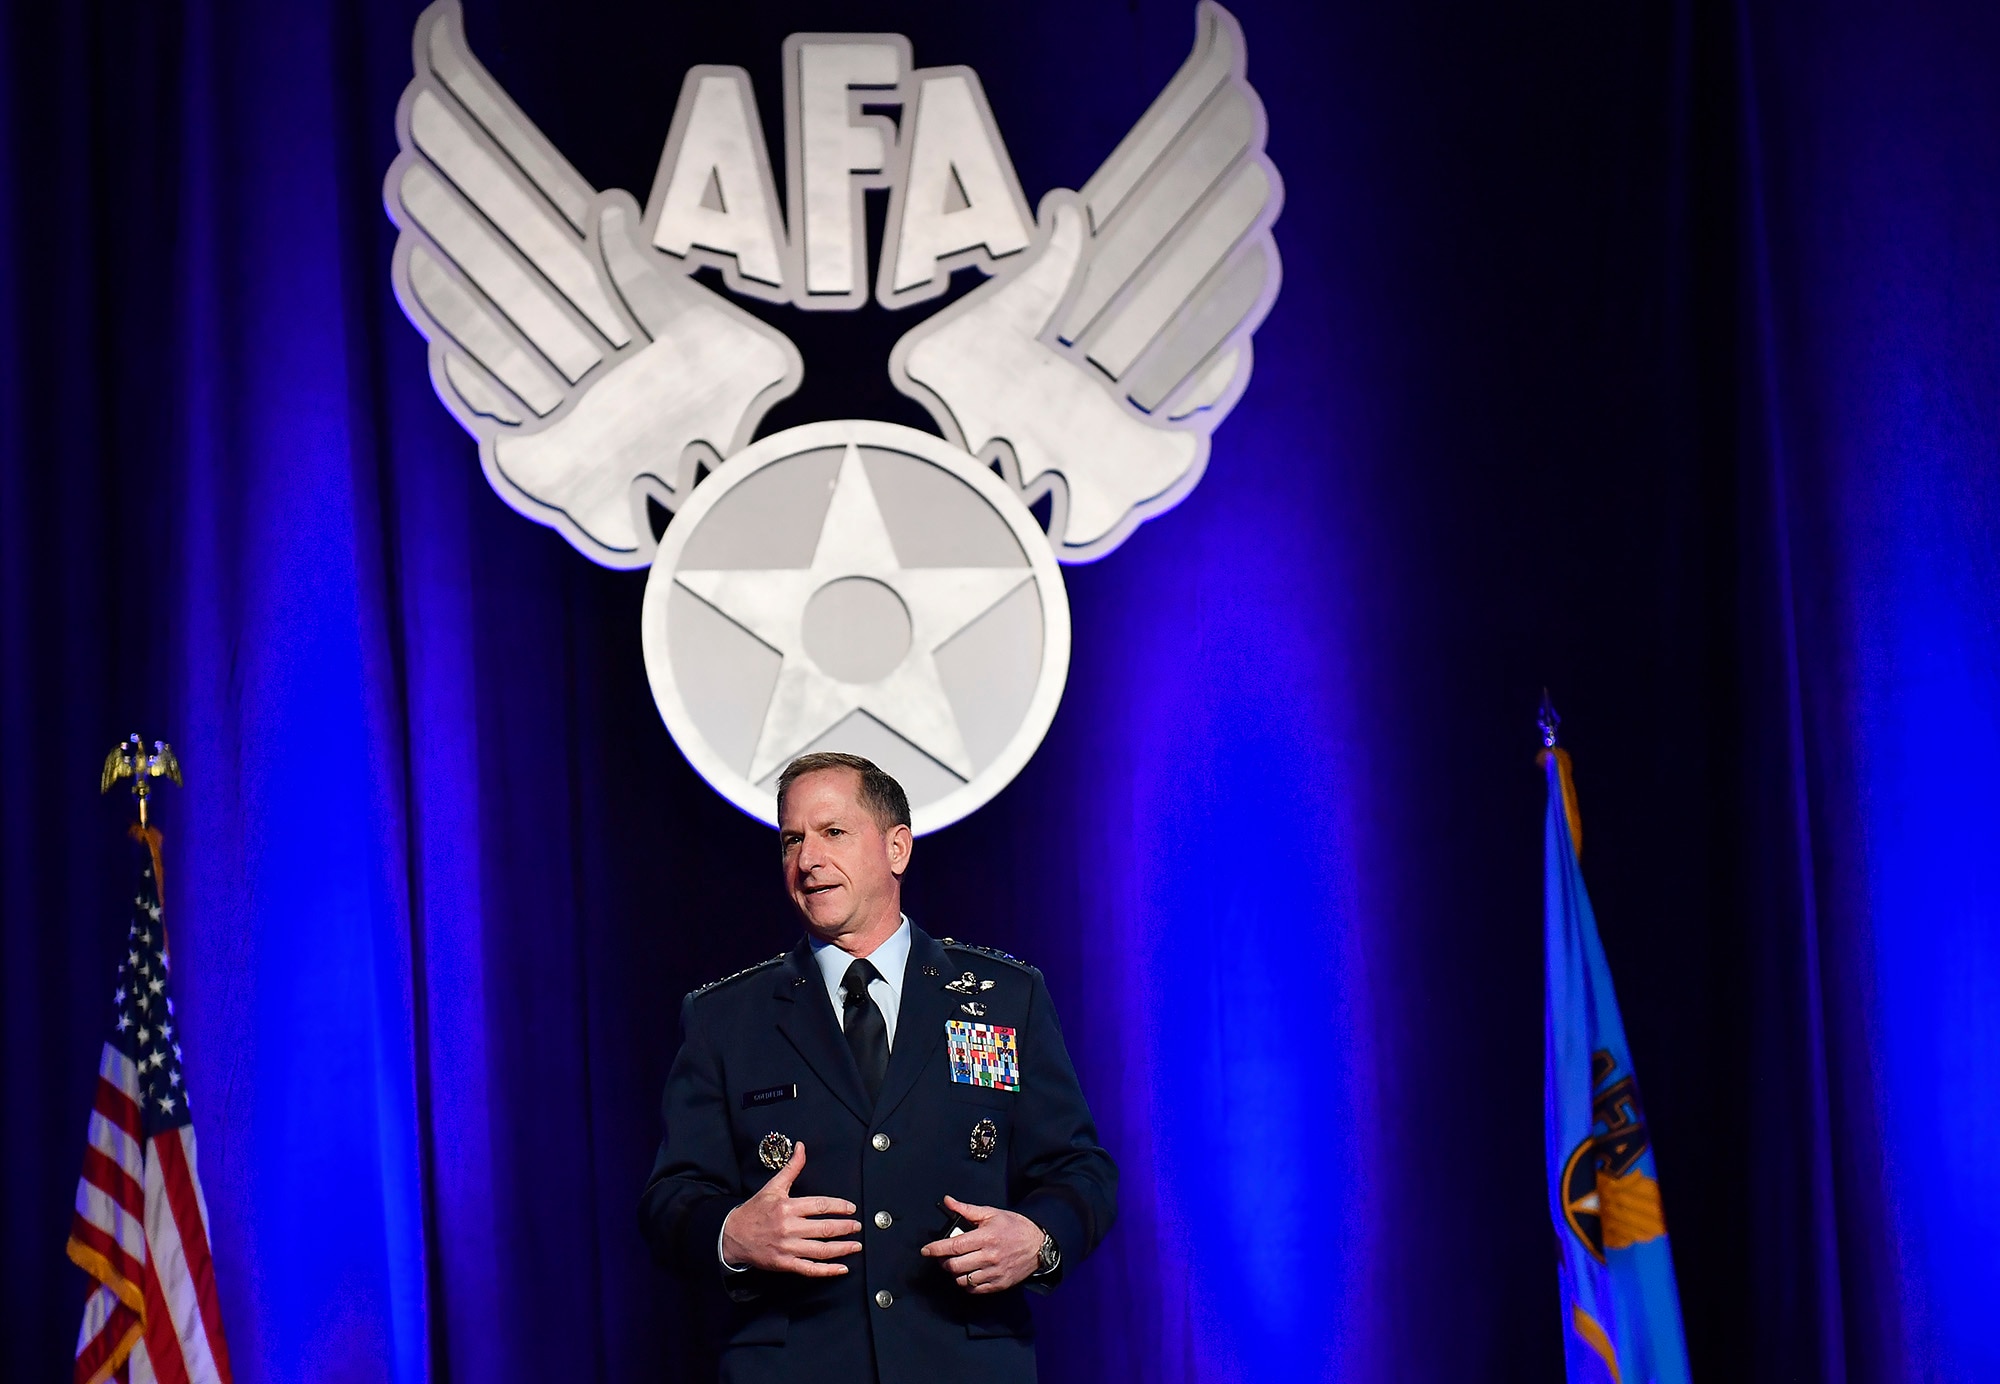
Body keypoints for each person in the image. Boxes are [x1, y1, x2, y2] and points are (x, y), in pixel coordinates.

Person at [640, 752, 1117, 1384]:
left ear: (897, 848)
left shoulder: (1005, 997)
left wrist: (1038, 1238)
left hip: (964, 1364)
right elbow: (669, 1200)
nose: (807, 860)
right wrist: (734, 1232)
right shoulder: (725, 1017)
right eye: (791, 840)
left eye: (833, 832)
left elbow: (1078, 1167)